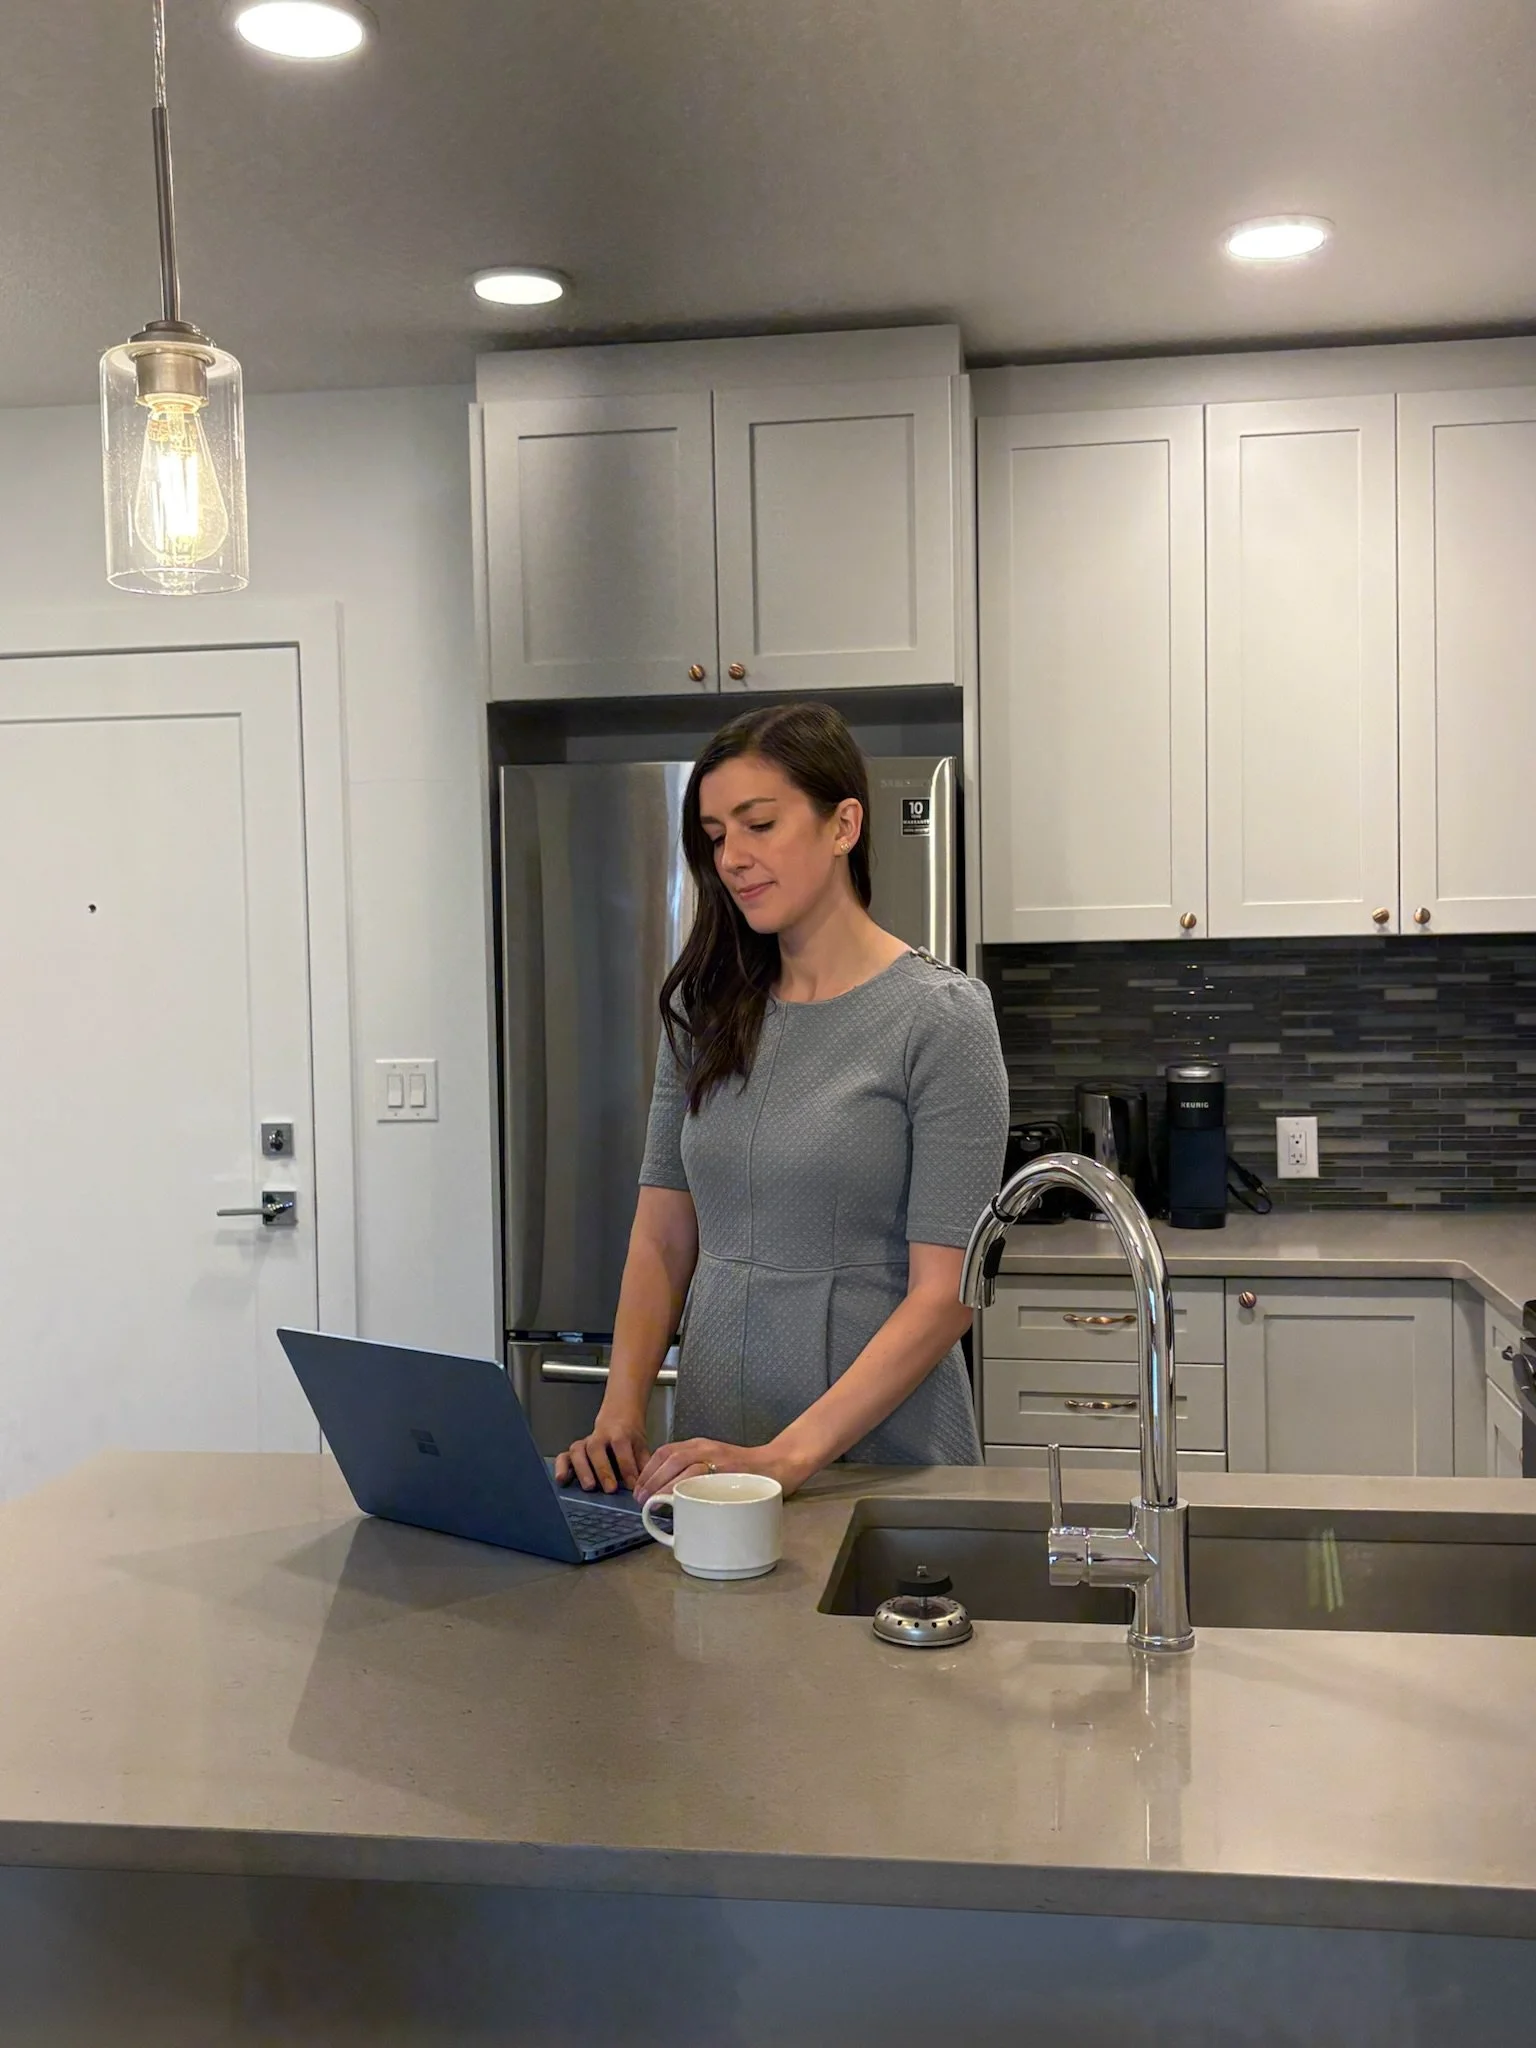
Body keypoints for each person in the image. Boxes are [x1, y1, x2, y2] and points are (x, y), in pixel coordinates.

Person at [555, 701, 1009, 1504]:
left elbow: (946, 1294)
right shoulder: (706, 1012)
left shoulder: (942, 1018)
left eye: (758, 824)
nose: (733, 857)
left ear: (844, 825)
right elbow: (663, 1234)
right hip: (716, 1447)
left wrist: (790, 1457)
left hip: (880, 1457)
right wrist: (620, 1413)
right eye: (717, 834)